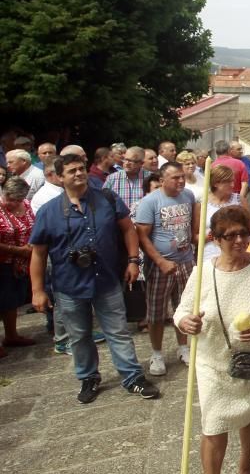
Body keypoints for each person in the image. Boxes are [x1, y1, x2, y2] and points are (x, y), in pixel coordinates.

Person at [29, 154, 159, 403]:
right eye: (71, 171)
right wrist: (37, 290)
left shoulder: (107, 199)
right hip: (69, 285)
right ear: (59, 177)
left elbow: (128, 229)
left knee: (118, 331)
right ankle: (88, 377)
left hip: (106, 279)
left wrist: (133, 260)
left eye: (81, 169)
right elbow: (38, 253)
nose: (78, 174)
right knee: (79, 336)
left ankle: (133, 378)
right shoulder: (48, 211)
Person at [174, 205, 250, 474]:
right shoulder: (202, 272)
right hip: (212, 362)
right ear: (216, 239)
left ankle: (246, 465)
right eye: (230, 236)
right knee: (214, 425)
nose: (239, 241)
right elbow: (181, 310)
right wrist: (185, 322)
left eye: (244, 234)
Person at [135, 161, 197, 376]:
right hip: (161, 265)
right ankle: (157, 353)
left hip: (186, 260)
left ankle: (183, 347)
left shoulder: (188, 196)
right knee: (157, 311)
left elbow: (192, 228)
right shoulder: (149, 202)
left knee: (185, 307)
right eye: (175, 177)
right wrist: (160, 261)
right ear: (162, 180)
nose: (180, 180)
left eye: (182, 176)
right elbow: (142, 236)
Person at [0, 177, 37, 354]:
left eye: (17, 200)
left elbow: (35, 226)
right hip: (3, 261)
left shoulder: (27, 205)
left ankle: (11, 335)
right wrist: (17, 250)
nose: (13, 203)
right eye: (10, 199)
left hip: (22, 262)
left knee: (12, 300)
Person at [199, 165, 243, 263]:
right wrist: (213, 235)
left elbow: (249, 227)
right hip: (210, 255)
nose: (232, 185)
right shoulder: (202, 202)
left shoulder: (239, 200)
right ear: (216, 183)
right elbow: (195, 236)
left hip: (235, 252)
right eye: (228, 182)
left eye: (233, 181)